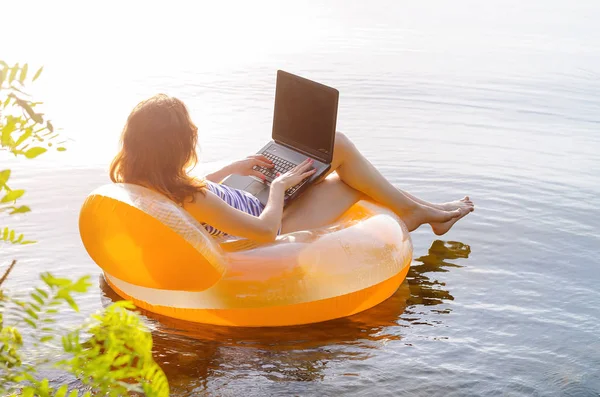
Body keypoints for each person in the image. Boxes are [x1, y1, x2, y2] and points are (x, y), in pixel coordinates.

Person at [110, 94, 474, 243]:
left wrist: (234, 168)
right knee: (347, 170)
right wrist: (281, 188)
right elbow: (266, 232)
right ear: (174, 146)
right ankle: (421, 212)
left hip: (250, 197)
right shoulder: (193, 197)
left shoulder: (145, 179)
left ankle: (428, 210)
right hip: (276, 218)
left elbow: (186, 194)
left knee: (336, 149)